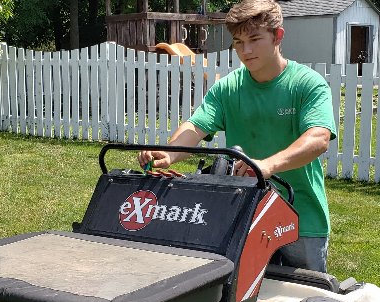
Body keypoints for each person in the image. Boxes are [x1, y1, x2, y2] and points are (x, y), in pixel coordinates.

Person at [137, 0, 337, 273]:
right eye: (239, 42)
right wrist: (168, 153)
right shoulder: (228, 87)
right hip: (244, 214)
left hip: (302, 218)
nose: (246, 50)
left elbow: (318, 139)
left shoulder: (307, 83)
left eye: (255, 39)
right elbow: (196, 127)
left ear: (278, 36)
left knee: (304, 301)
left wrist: (266, 166)